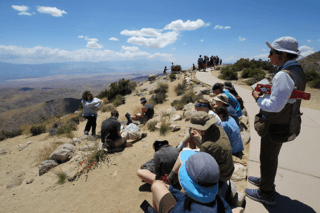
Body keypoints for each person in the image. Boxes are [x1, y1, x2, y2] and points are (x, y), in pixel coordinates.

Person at [245, 36, 306, 205]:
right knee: (270, 156)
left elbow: (274, 106)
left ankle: (266, 193)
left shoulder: (283, 75)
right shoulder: (297, 71)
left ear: (282, 55)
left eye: (271, 52)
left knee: (268, 158)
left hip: (276, 124)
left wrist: (257, 98)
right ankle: (266, 180)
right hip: (286, 121)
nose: (268, 56)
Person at [151, 151, 233, 213]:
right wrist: (172, 189)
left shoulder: (181, 207)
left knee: (156, 185)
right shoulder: (221, 203)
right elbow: (194, 200)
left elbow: (185, 200)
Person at [176, 111, 234, 190]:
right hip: (227, 170)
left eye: (193, 127)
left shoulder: (206, 146)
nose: (192, 128)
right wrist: (200, 137)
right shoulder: (219, 129)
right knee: (192, 137)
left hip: (220, 178)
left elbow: (203, 166)